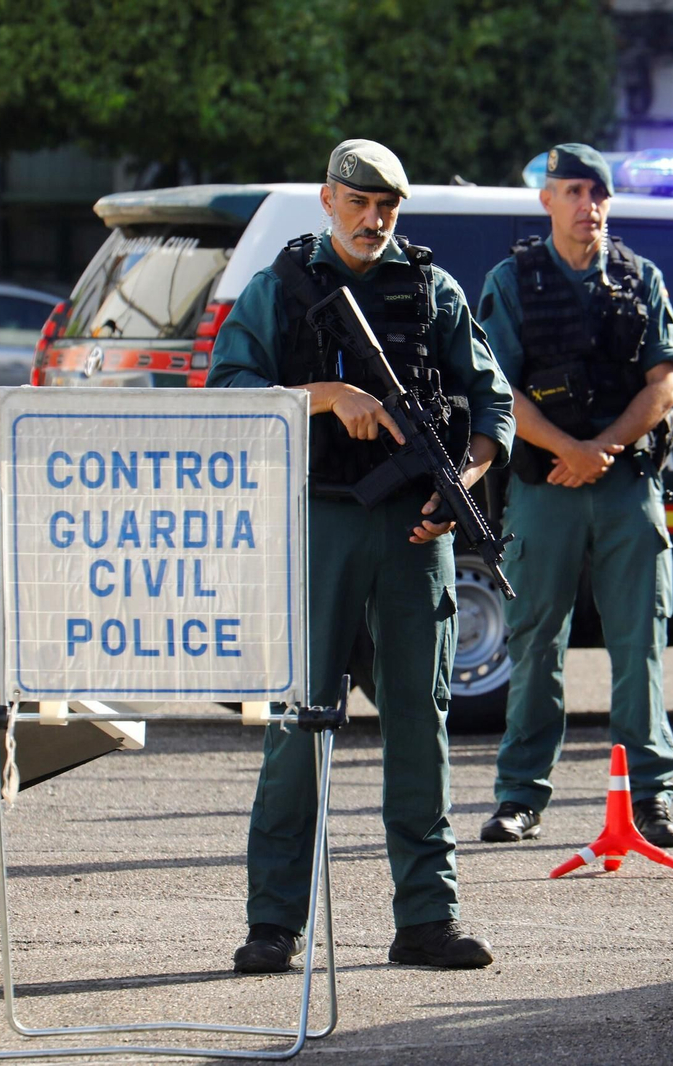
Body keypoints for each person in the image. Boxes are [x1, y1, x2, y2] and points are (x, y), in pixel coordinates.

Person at [209, 139, 515, 974]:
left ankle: (427, 918)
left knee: (421, 724)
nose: (374, 219)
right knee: (300, 723)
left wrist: (462, 482)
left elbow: (492, 400)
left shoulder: (432, 290)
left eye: (389, 207)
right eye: (359, 203)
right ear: (328, 199)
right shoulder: (283, 288)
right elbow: (228, 390)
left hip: (414, 538)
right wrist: (327, 397)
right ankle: (273, 921)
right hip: (320, 524)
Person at [475, 144, 673, 849]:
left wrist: (603, 450)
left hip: (626, 483)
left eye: (597, 193)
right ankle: (520, 797)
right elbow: (496, 386)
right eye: (571, 191)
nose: (586, 205)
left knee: (641, 644)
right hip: (547, 485)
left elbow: (664, 386)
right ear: (547, 200)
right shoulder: (513, 280)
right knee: (536, 642)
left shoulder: (640, 278)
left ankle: (651, 799)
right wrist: (569, 450)